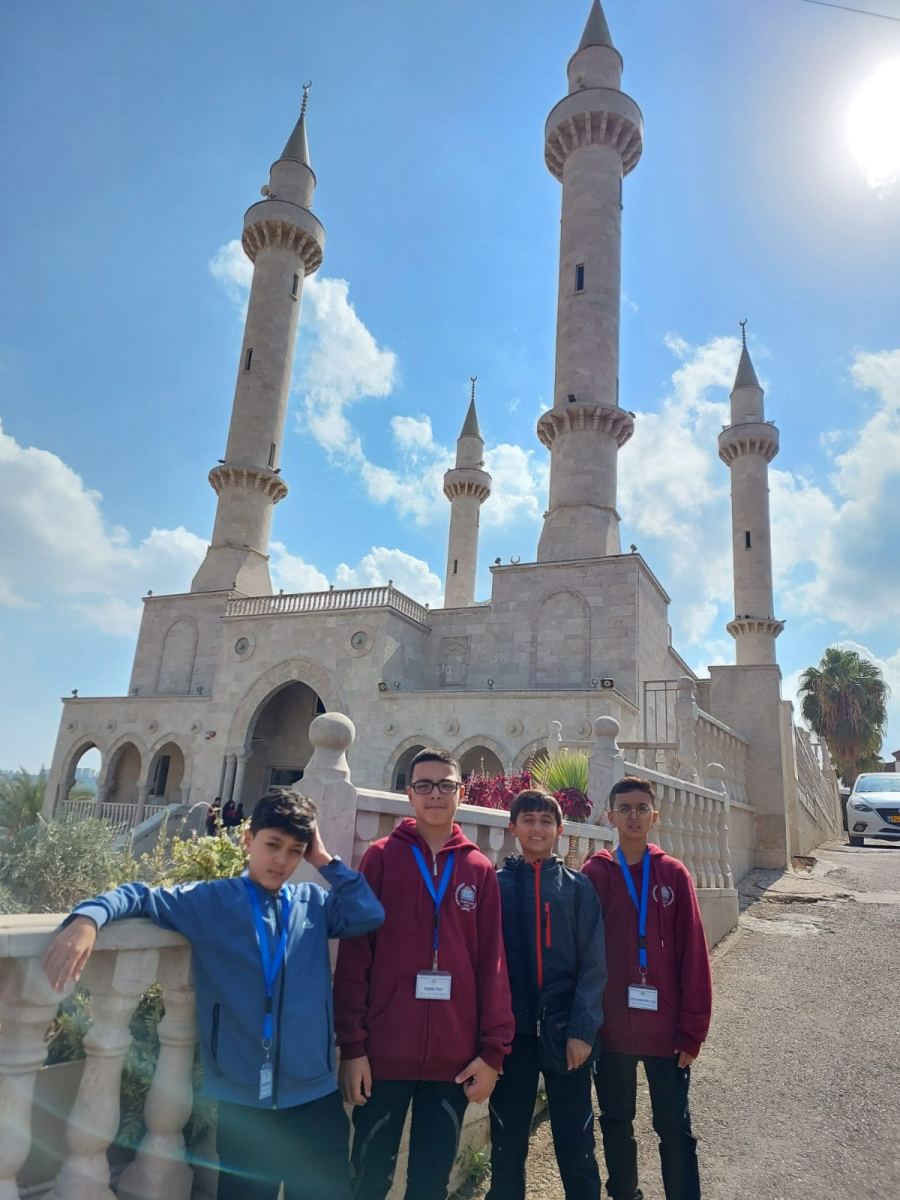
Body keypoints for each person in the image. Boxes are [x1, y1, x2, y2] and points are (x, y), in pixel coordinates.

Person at [42, 789, 385, 1200]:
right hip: (245, 1107)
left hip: (315, 1098)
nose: (281, 860)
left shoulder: (313, 903)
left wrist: (324, 860)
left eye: (295, 851)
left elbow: (369, 913)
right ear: (248, 840)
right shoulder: (211, 902)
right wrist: (87, 920)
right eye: (272, 845)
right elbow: (138, 896)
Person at [334, 747, 514, 1200]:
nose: (435, 794)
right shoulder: (380, 859)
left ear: (460, 792)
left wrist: (492, 1054)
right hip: (383, 1056)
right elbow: (356, 958)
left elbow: (492, 964)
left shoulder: (479, 868)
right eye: (424, 785)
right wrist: (353, 1048)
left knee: (430, 1185)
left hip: (454, 1061)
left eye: (445, 785)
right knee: (368, 1178)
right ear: (409, 794)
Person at [583, 776, 712, 1200]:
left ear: (654, 816)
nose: (633, 816)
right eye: (625, 808)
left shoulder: (673, 874)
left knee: (674, 1127)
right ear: (610, 816)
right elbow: (583, 952)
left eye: (641, 808)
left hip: (666, 1032)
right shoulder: (596, 874)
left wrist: (692, 1030)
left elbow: (693, 954)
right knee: (615, 1122)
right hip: (611, 1031)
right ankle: (625, 1193)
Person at [487, 788, 606, 1200]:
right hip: (512, 1037)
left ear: (559, 829)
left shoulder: (578, 888)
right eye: (528, 820)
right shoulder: (496, 886)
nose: (537, 828)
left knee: (577, 1145)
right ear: (513, 827)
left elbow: (594, 965)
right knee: (506, 1144)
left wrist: (582, 1031)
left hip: (565, 1032)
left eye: (545, 821)